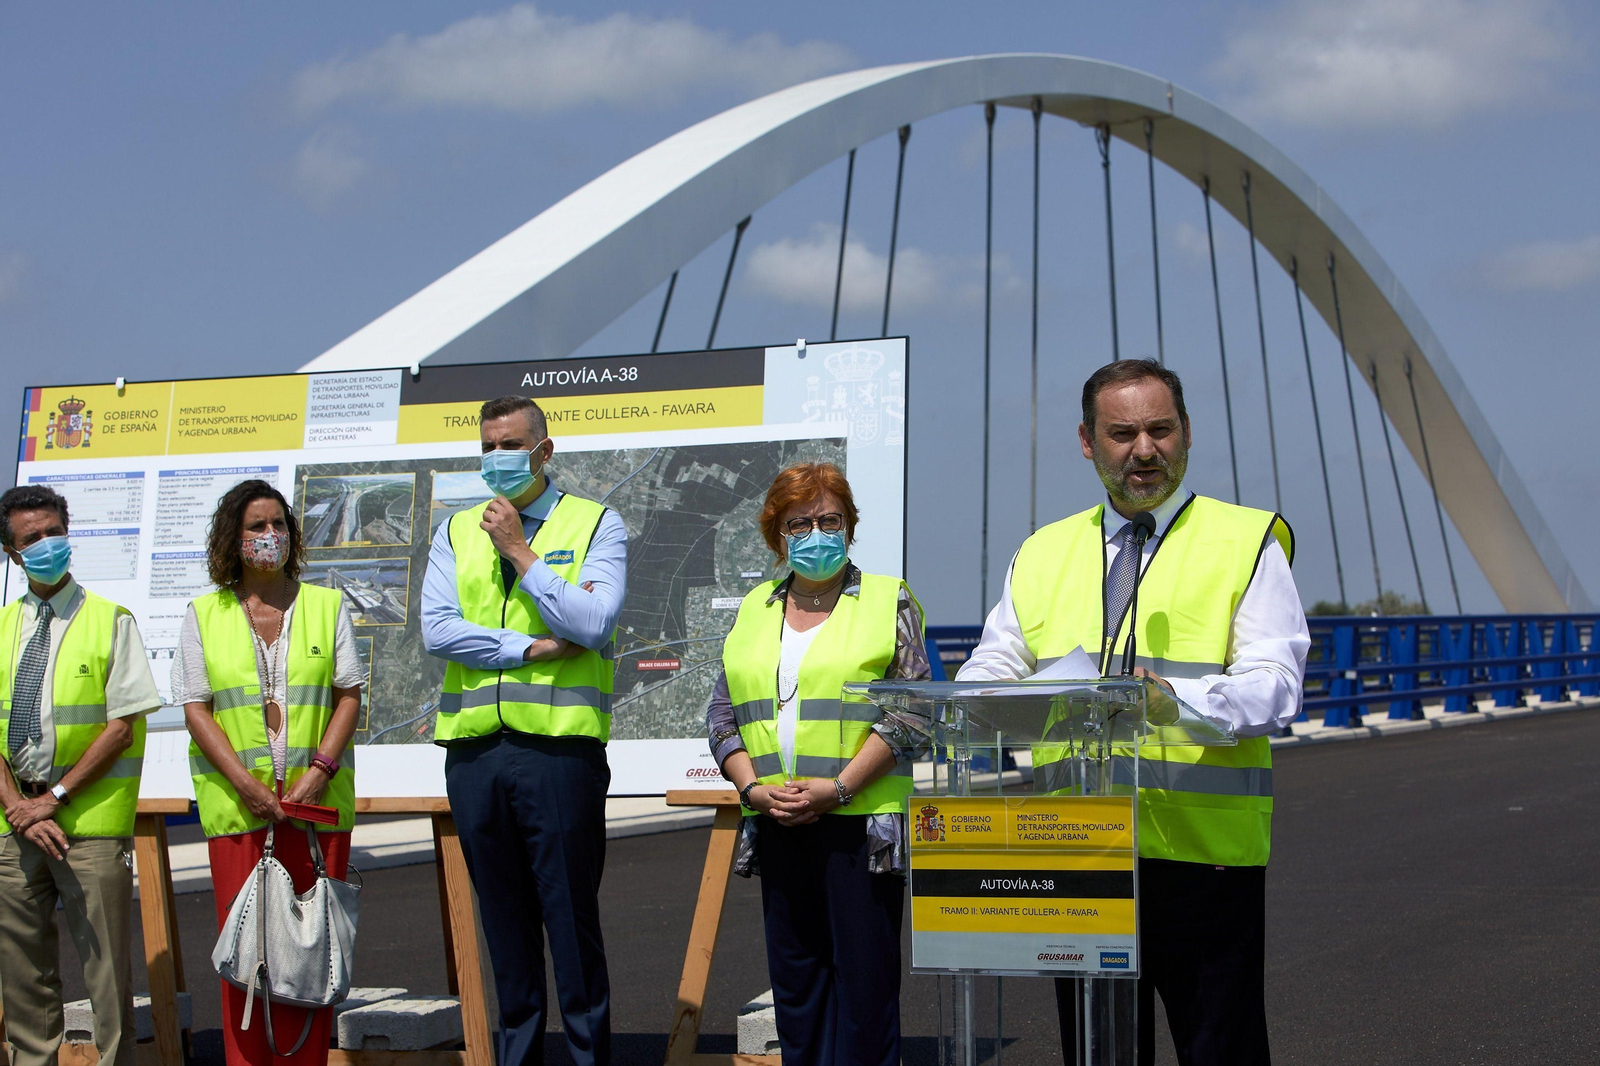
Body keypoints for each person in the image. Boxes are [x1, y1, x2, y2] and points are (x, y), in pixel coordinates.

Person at [957, 359, 1308, 1066]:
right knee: (1098, 1054)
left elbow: (1276, 685)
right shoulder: (1043, 551)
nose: (1144, 450)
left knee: (1222, 1048)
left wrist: (1175, 702)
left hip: (1201, 859)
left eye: (1160, 430)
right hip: (1081, 850)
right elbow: (992, 667)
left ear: (1186, 434)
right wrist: (978, 699)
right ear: (1087, 442)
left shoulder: (1245, 542)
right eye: (1122, 433)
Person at [421, 395, 628, 1066]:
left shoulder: (597, 523)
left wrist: (520, 551)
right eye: (487, 447)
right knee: (504, 928)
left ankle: (590, 1056)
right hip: (476, 753)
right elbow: (439, 630)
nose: (497, 460)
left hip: (558, 754)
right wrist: (528, 648)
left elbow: (593, 624)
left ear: (544, 450)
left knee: (570, 924)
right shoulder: (455, 531)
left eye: (510, 445)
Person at [707, 462, 929, 1066]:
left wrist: (839, 787)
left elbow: (914, 714)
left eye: (829, 519)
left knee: (864, 993)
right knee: (796, 991)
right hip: (777, 820)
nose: (815, 531)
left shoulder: (890, 600)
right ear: (777, 533)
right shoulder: (754, 607)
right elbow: (722, 716)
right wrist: (752, 791)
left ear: (850, 526)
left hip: (859, 826)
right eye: (798, 522)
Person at [174, 479, 362, 1066]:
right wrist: (247, 785)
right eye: (256, 526)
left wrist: (322, 769)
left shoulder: (326, 605)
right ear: (233, 538)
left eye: (278, 524)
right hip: (240, 813)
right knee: (247, 961)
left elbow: (348, 695)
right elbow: (196, 709)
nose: (269, 536)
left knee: (311, 957)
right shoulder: (204, 613)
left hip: (314, 811)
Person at [0, 485, 160, 1066]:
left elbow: (121, 727)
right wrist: (19, 806)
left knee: (107, 975)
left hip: (87, 823)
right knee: (23, 976)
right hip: (13, 827)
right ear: (13, 555)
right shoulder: (1, 627)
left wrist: (53, 799)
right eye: (31, 539)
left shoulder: (110, 621)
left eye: (53, 532)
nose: (46, 545)